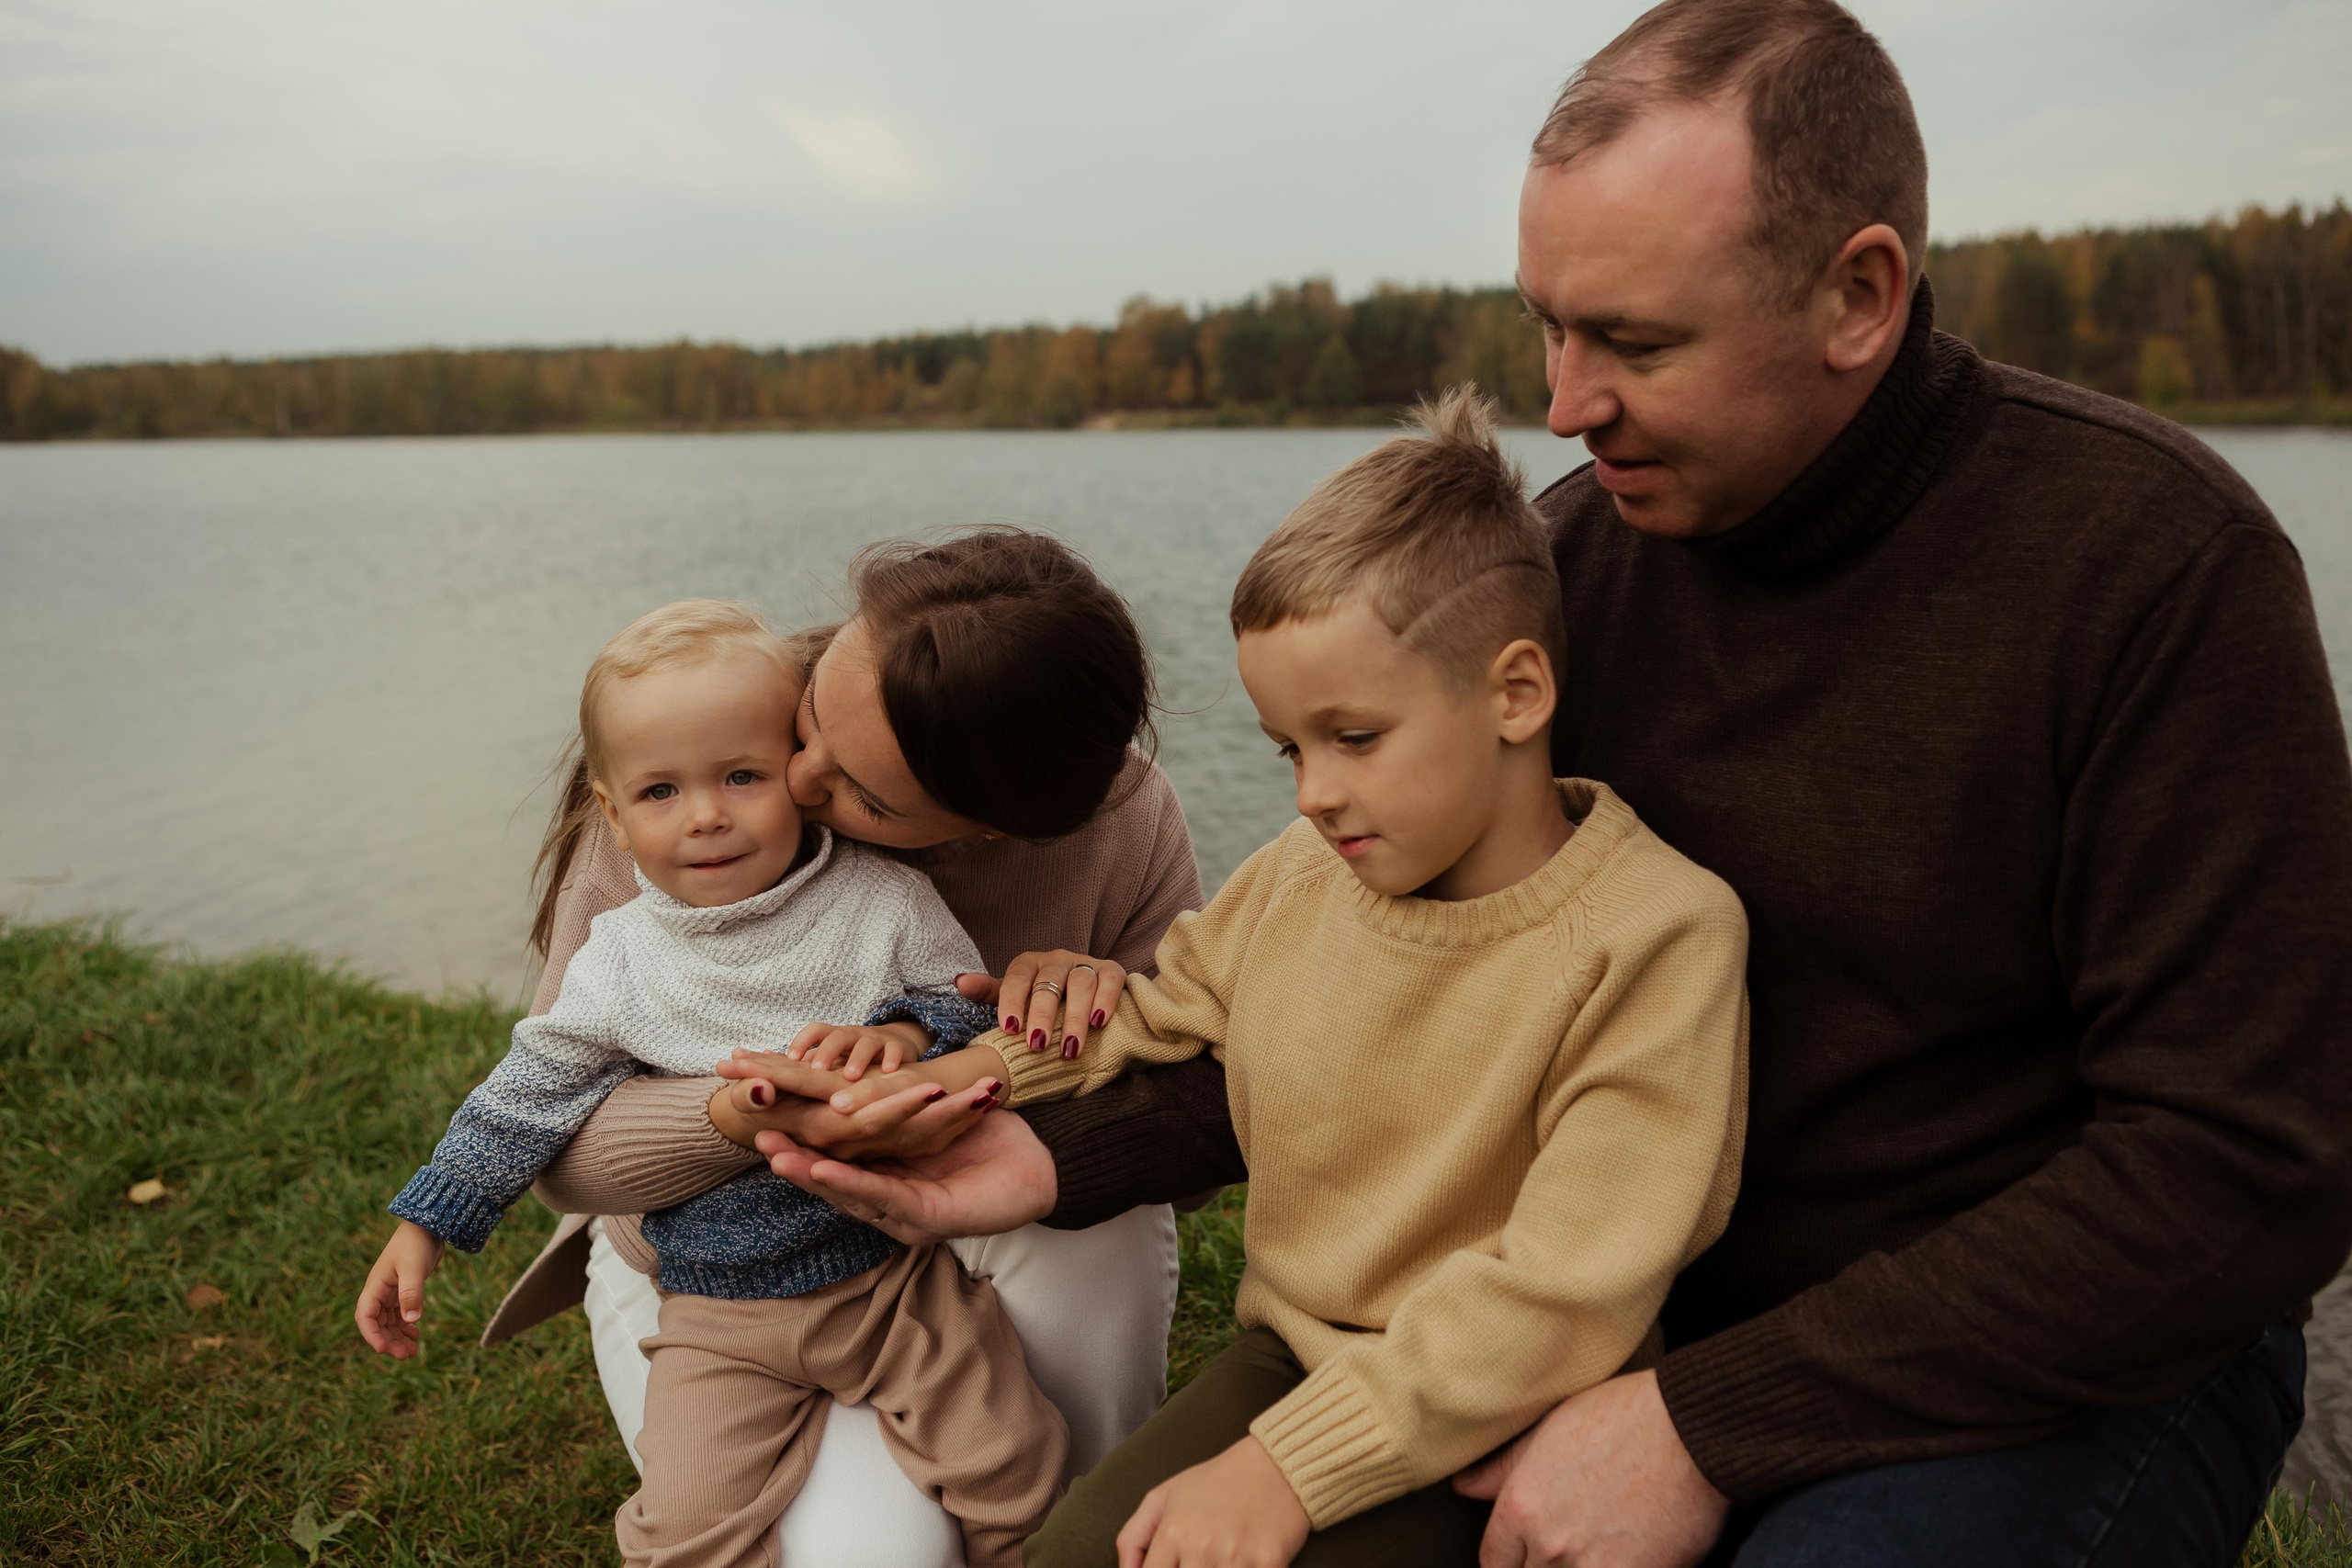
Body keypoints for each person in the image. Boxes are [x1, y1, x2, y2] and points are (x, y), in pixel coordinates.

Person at [755, 4, 2352, 1564]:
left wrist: (1705, 1421)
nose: (1566, 402)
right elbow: (1353, 988)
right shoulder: (1552, 572)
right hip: (1550, 1321)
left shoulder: (2154, 568)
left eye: (1635, 342)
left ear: (1858, 295)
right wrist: (1042, 1146)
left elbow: (2243, 1164)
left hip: (2031, 1368)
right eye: (1549, 326)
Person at [776, 389, 1750, 1567]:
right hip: (1287, 1357)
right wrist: (963, 1076)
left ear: (1515, 694)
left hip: (1519, 1406)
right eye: (1290, 748)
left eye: (1355, 738)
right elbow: (1164, 1012)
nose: (1313, 794)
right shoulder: (1304, 873)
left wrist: (1284, 1472)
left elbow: (1565, 1292)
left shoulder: (1656, 936)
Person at [491, 529, 1204, 1568]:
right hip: (712, 1267)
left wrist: (1104, 1020)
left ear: (990, 826)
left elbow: (1191, 1153)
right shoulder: (698, 759)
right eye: (814, 714)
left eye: (866, 796)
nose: (796, 775)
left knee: (1045, 1480)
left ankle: (1077, 1534)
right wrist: (743, 1115)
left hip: (982, 1224)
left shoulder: (1119, 818)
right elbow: (566, 1159)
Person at [356, 600, 1063, 1566]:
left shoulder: (881, 900)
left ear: (800, 773)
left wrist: (903, 1032)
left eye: (741, 775)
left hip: (896, 1281)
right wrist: (425, 1223)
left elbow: (967, 1009)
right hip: (717, 1313)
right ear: (612, 814)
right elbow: (528, 1094)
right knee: (683, 1525)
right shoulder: (619, 958)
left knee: (1012, 1463)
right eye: (660, 791)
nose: (706, 815)